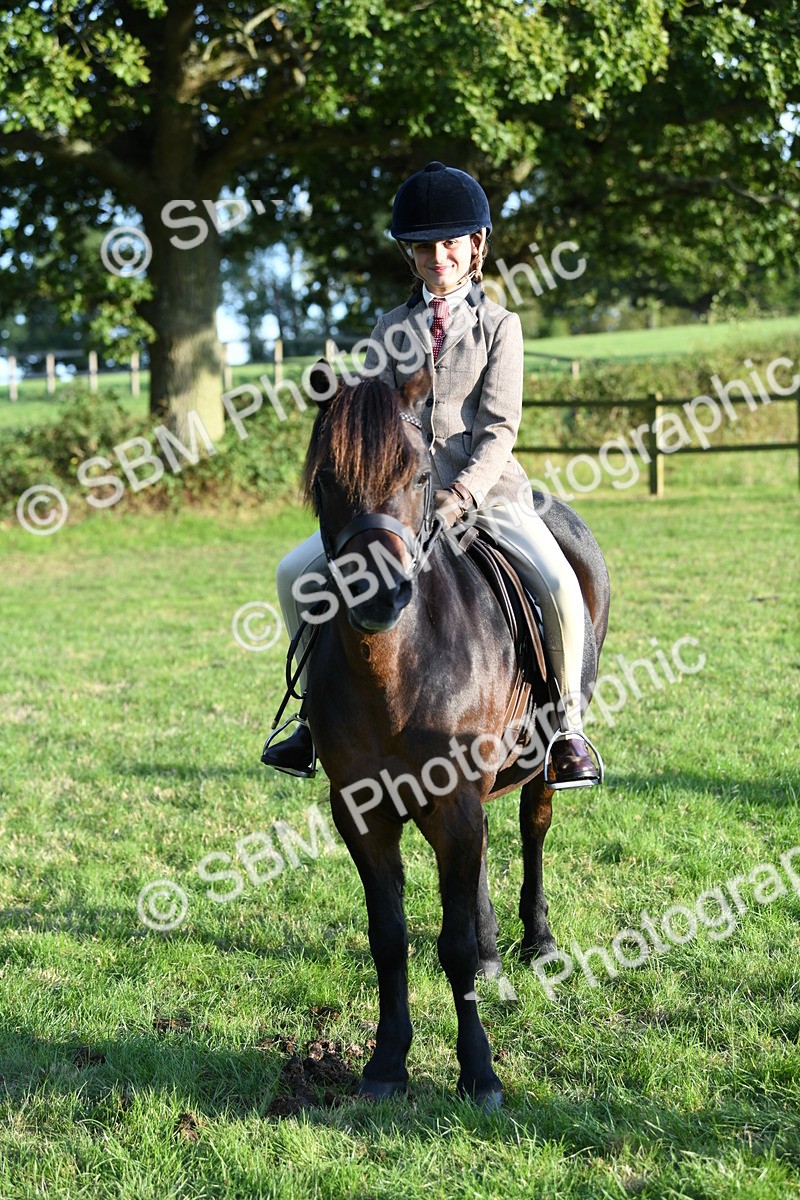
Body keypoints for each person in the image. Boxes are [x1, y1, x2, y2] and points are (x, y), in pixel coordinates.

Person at [261, 161, 602, 789]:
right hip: (401, 502)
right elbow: (374, 419)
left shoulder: (501, 326)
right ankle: (311, 719)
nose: (437, 255)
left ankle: (568, 729)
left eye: (450, 242)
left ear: (475, 247)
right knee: (292, 574)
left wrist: (459, 496)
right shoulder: (390, 329)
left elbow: (499, 429)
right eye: (424, 244)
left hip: (488, 496)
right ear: (409, 254)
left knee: (557, 580)